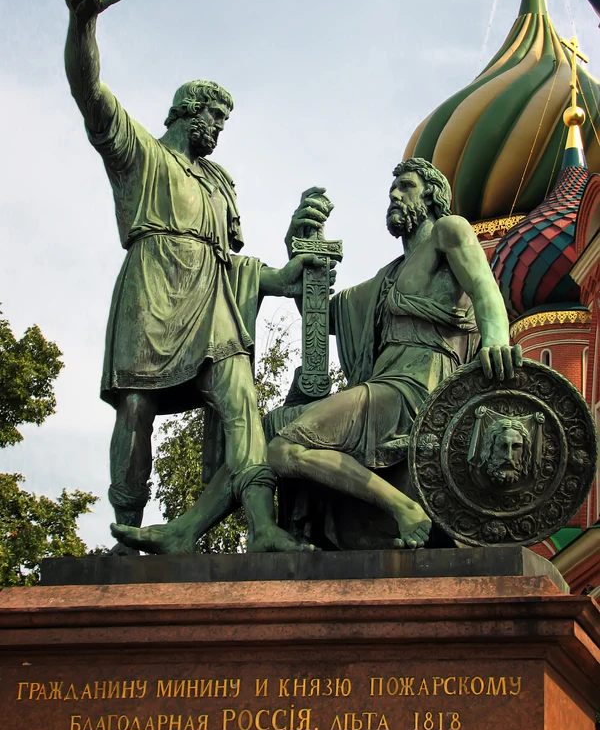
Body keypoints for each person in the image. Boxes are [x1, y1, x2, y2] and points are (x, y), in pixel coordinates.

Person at [116, 157, 520, 553]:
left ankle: (406, 509)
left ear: (431, 196)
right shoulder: (388, 277)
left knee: (284, 449)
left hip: (418, 391)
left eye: (406, 187)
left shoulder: (449, 231)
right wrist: (300, 251)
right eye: (392, 189)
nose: (395, 195)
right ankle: (186, 531)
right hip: (384, 389)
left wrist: (496, 340)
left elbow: (485, 290)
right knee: (266, 429)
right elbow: (322, 316)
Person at [57, 0, 324, 553]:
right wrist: (83, 26)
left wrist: (283, 274)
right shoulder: (142, 156)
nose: (219, 129)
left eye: (224, 121)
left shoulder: (220, 182)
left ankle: (263, 528)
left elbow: (236, 266)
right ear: (184, 112)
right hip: (152, 294)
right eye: (213, 117)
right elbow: (90, 94)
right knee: (136, 407)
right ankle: (128, 527)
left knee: (242, 405)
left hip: (214, 306)